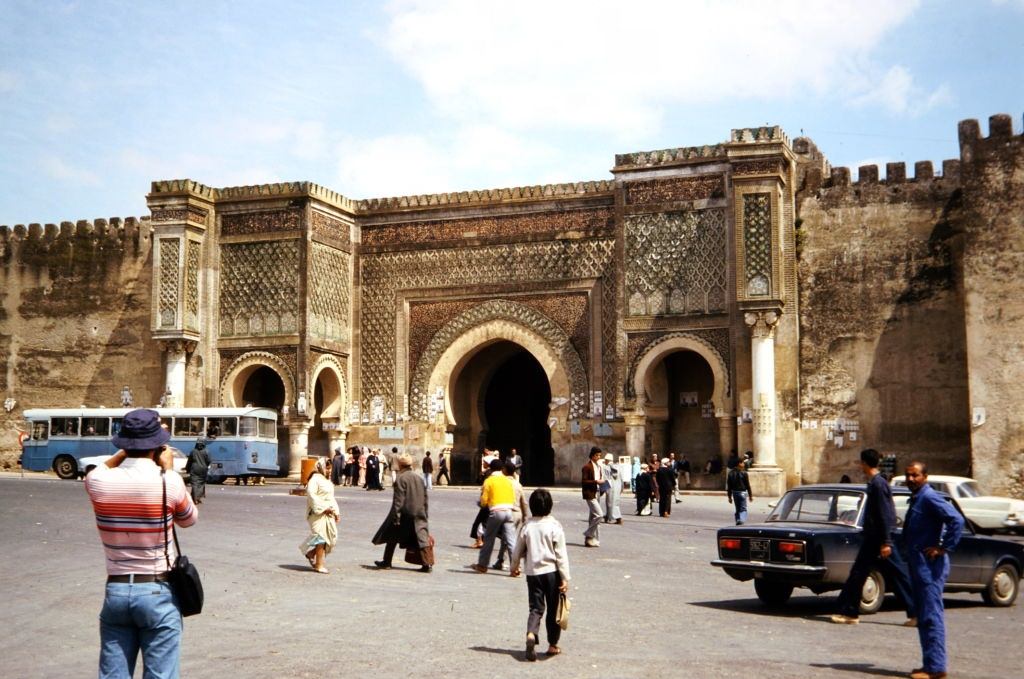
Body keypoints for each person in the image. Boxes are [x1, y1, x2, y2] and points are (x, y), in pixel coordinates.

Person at [84, 408, 197, 678]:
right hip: (157, 590)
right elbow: (188, 519)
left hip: (117, 592)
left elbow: (104, 466)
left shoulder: (97, 480)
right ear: (157, 446)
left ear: (124, 443)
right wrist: (168, 469)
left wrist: (125, 451)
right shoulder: (168, 482)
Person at [830, 448, 916, 626]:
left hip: (879, 538)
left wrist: (886, 542)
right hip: (875, 537)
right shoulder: (877, 482)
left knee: (896, 574)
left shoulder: (878, 484)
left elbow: (885, 514)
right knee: (860, 573)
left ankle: (916, 612)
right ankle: (849, 612)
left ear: (864, 463)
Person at [901, 461, 963, 679]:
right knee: (923, 615)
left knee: (931, 616)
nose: (910, 479)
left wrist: (943, 548)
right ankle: (929, 664)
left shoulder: (929, 497)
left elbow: (956, 519)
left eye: (915, 475)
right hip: (919, 566)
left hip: (930, 567)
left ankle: (936, 668)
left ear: (925, 477)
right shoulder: (918, 498)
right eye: (908, 475)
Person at [511, 489, 571, 661]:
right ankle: (552, 644)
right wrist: (565, 577)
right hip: (552, 573)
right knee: (553, 609)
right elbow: (561, 554)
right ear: (550, 506)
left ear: (531, 506)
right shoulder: (555, 527)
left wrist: (514, 567)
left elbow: (517, 551)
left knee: (536, 608)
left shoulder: (527, 527)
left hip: (533, 573)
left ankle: (531, 633)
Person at [372, 454, 433, 572]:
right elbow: (425, 498)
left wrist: (396, 516)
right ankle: (427, 564)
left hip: (405, 513)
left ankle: (386, 562)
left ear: (400, 465)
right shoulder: (419, 478)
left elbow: (399, 500)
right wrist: (425, 512)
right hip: (419, 511)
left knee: (391, 536)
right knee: (421, 537)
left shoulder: (400, 478)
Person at [471, 458, 517, 573]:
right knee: (511, 540)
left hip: (496, 511)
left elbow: (484, 500)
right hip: (509, 511)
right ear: (502, 469)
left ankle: (482, 565)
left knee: (489, 539)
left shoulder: (489, 481)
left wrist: (482, 504)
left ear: (491, 469)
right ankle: (516, 568)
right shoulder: (507, 480)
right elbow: (513, 497)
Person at [299, 458, 340, 574]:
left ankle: (311, 554)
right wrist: (323, 508)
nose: (329, 470)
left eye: (330, 468)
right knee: (321, 538)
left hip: (328, 514)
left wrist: (336, 512)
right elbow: (311, 496)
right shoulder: (315, 479)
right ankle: (319, 565)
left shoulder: (327, 480)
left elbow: (331, 498)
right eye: (327, 468)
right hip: (317, 514)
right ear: (321, 467)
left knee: (330, 538)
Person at [492, 460, 529, 571]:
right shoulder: (518, 484)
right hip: (517, 514)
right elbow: (524, 502)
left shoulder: (502, 483)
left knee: (508, 539)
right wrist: (525, 517)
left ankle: (516, 564)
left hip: (506, 513)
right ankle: (500, 560)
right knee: (507, 538)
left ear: (504, 470)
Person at [581, 447, 605, 547]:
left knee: (593, 517)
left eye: (600, 455)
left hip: (597, 493)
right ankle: (588, 533)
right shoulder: (587, 467)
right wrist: (596, 482)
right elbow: (584, 481)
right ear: (593, 455)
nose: (599, 457)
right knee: (599, 515)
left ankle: (590, 540)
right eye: (597, 455)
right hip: (590, 494)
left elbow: (599, 478)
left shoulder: (598, 466)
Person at [726, 458, 754, 525]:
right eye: (743, 463)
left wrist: (729, 497)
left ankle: (738, 520)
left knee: (737, 508)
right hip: (742, 493)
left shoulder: (730, 473)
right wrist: (750, 496)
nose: (744, 464)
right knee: (743, 509)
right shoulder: (744, 473)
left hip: (735, 493)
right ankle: (741, 520)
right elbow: (748, 485)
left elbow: (729, 487)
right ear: (739, 464)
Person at [185, 439, 210, 504]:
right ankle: (198, 498)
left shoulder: (193, 451)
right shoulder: (206, 452)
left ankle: (195, 498)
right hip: (203, 470)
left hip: (194, 469)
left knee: (194, 484)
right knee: (201, 484)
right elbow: (209, 461)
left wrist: (187, 469)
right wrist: (205, 466)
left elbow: (189, 462)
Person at [601, 453, 623, 525]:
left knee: (610, 503)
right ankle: (608, 516)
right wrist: (621, 488)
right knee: (615, 503)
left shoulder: (606, 467)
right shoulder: (618, 467)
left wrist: (602, 489)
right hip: (617, 487)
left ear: (607, 460)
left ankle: (618, 518)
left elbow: (605, 478)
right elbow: (621, 479)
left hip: (610, 487)